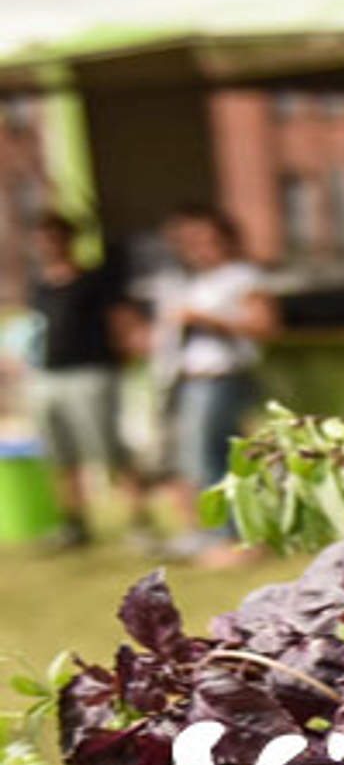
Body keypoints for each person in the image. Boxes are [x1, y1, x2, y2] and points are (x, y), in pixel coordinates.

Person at [163, 207, 279, 566]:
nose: (199, 247)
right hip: (191, 381)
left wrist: (206, 320)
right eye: (191, 241)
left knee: (216, 459)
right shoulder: (197, 280)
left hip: (223, 379)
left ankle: (233, 539)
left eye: (207, 239)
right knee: (196, 460)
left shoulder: (242, 277)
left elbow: (265, 326)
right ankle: (208, 534)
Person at [24, 212, 146, 548]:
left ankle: (138, 523)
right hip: (49, 377)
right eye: (42, 239)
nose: (47, 245)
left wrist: (126, 356)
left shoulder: (95, 281)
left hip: (91, 373)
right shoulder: (40, 285)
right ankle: (75, 523)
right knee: (62, 455)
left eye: (54, 237)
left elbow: (123, 321)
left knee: (108, 451)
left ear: (69, 240)